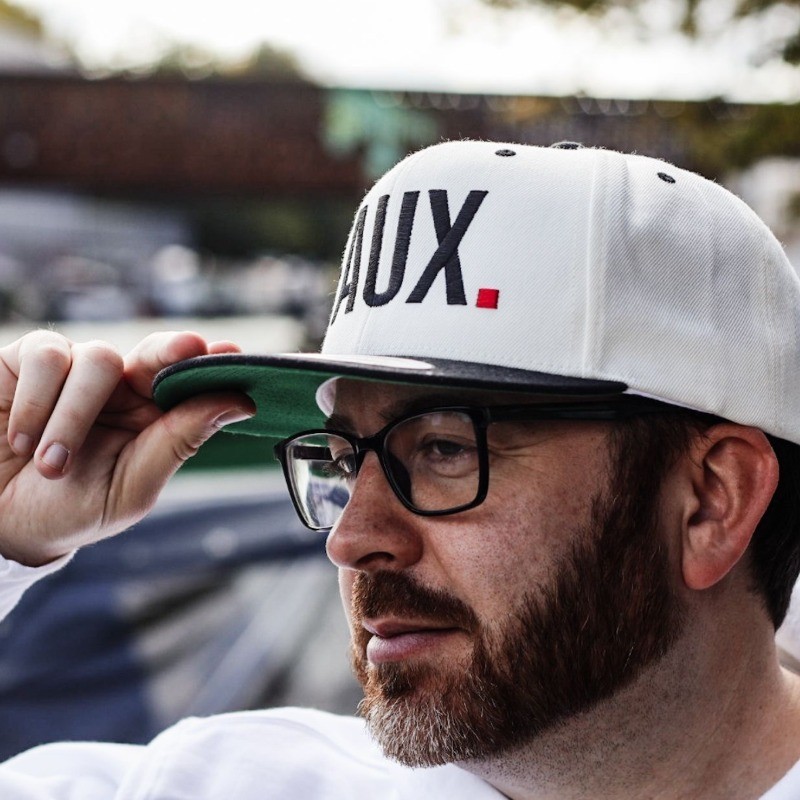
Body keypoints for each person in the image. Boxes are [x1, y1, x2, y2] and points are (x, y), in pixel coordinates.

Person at [1, 140, 800, 799]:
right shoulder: (225, 782)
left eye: (445, 448)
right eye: (346, 458)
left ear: (712, 501)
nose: (350, 540)